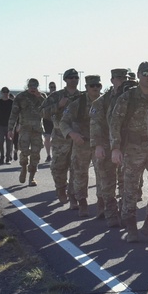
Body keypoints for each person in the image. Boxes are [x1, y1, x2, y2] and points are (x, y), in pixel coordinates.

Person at [110, 62, 148, 244]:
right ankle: (131, 225)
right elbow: (115, 123)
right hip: (133, 148)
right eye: (146, 73)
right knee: (130, 188)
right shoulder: (128, 97)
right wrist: (115, 147)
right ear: (139, 75)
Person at [91, 68, 129, 228]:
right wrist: (98, 145)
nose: (121, 80)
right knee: (107, 182)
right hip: (106, 145)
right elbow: (95, 125)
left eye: (124, 78)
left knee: (127, 182)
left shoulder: (132, 97)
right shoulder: (102, 101)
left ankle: (125, 212)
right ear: (112, 80)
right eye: (118, 78)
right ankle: (112, 214)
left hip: (128, 146)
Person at [60, 75, 103, 218]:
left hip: (99, 144)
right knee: (79, 173)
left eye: (98, 86)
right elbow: (63, 122)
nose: (96, 88)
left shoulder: (105, 102)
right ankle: (81, 201)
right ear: (86, 88)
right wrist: (72, 134)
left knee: (103, 174)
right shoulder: (77, 104)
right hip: (82, 143)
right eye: (92, 86)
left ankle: (101, 203)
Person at [42, 69, 82, 208]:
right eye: (70, 77)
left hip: (77, 137)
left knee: (76, 169)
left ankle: (73, 197)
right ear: (65, 80)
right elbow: (43, 112)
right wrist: (58, 105)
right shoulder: (56, 96)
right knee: (58, 167)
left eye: (76, 77)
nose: (74, 79)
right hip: (60, 137)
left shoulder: (82, 96)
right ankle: (60, 189)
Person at [8, 78, 46, 186]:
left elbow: (48, 110)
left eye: (35, 87)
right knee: (24, 151)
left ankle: (32, 177)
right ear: (28, 86)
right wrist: (10, 129)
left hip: (37, 130)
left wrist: (40, 97)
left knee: (35, 154)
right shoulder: (21, 97)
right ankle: (23, 167)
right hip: (25, 129)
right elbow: (14, 114)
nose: (33, 89)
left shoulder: (42, 96)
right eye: (31, 87)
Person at [0, 87, 15, 164]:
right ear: (1, 93)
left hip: (10, 125)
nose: (5, 93)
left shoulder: (12, 102)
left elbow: (16, 114)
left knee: (9, 142)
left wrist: (17, 124)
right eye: (4, 92)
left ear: (8, 93)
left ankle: (8, 157)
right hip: (0, 125)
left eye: (7, 92)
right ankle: (2, 156)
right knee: (1, 141)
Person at [43, 80, 57, 162]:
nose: (53, 89)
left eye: (54, 87)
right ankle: (48, 155)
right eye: (51, 87)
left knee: (55, 139)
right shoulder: (46, 97)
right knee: (47, 138)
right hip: (47, 120)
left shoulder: (59, 96)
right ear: (49, 88)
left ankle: (55, 154)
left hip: (56, 120)